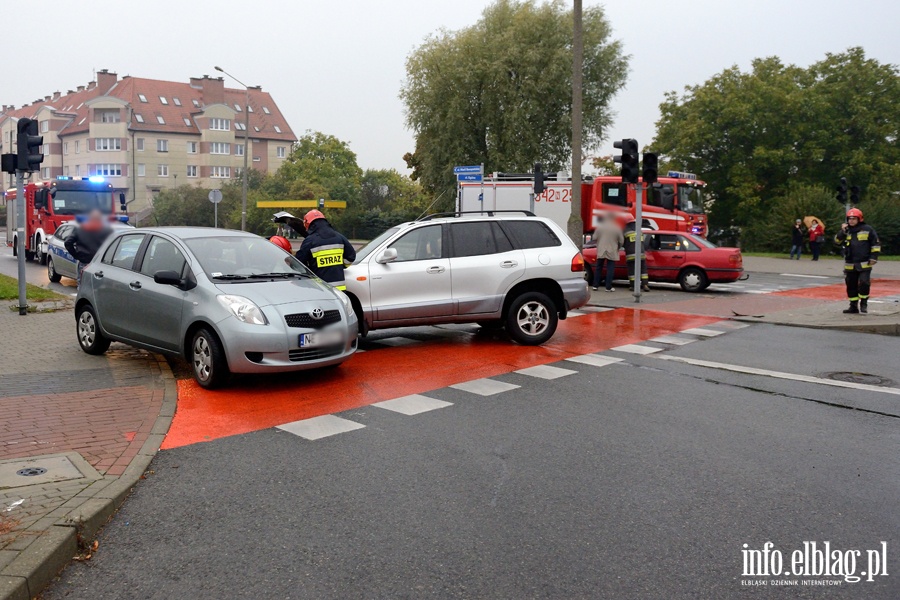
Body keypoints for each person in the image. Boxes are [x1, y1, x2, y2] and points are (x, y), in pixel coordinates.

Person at [296, 210, 357, 290]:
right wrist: (339, 266)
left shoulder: (309, 241)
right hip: (340, 290)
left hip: (322, 290)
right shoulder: (339, 237)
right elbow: (351, 256)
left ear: (308, 224)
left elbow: (299, 263)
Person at [835, 208, 880, 314]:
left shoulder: (867, 229)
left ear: (859, 219)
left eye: (854, 218)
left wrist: (874, 257)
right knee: (851, 284)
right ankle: (853, 306)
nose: (851, 221)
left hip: (864, 262)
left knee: (864, 283)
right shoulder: (846, 230)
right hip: (850, 263)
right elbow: (837, 241)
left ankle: (863, 303)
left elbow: (875, 244)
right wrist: (842, 232)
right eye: (849, 219)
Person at [64, 209, 112, 288]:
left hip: (84, 261)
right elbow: (114, 245)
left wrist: (76, 255)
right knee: (99, 287)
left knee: (83, 286)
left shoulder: (80, 229)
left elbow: (68, 242)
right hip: (101, 263)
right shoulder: (107, 231)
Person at [591, 215, 624, 292]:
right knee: (610, 268)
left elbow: (594, 237)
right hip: (612, 249)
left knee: (599, 267)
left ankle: (595, 285)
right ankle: (608, 287)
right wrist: (618, 247)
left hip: (601, 249)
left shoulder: (600, 227)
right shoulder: (617, 227)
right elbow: (621, 240)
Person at [623, 216, 649, 292]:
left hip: (631, 254)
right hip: (641, 253)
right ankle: (645, 285)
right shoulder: (639, 230)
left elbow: (623, 242)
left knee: (632, 270)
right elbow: (643, 242)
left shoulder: (626, 231)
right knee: (643, 269)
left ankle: (633, 286)